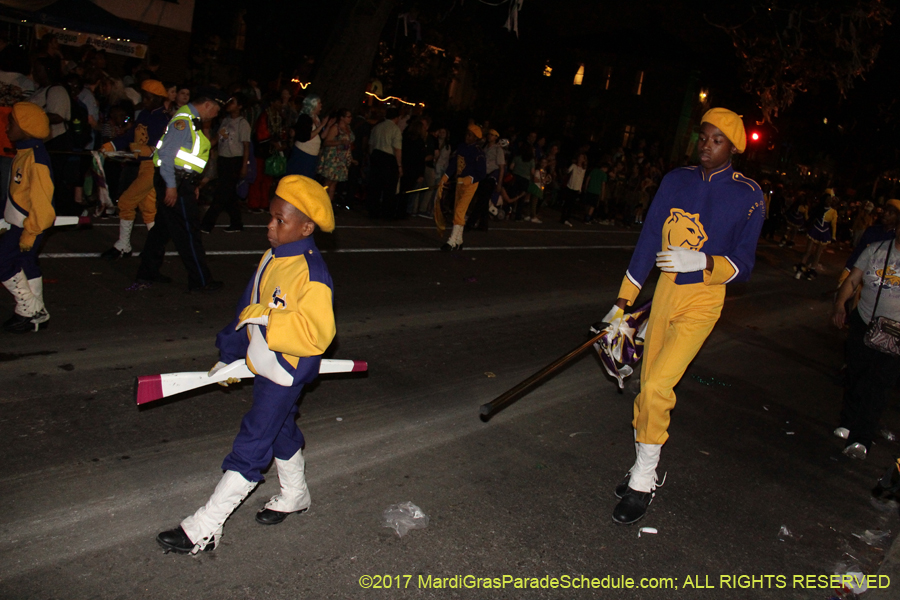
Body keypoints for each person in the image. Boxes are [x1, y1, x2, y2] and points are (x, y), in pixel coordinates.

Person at [156, 175, 336, 554]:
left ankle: (203, 528)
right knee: (280, 428)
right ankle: (296, 495)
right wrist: (230, 353)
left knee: (254, 440)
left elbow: (318, 335)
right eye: (270, 217)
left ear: (306, 227)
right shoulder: (271, 257)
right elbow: (246, 308)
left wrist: (268, 319)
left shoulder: (313, 273)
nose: (269, 227)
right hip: (264, 364)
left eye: (280, 221)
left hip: (286, 372)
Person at [601, 108, 764, 524]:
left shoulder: (750, 195)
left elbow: (744, 265)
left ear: (733, 147)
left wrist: (703, 261)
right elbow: (648, 241)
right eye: (703, 137)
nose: (706, 146)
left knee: (657, 384)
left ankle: (644, 478)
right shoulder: (676, 180)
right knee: (645, 385)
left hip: (704, 300)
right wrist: (622, 304)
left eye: (717, 141)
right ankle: (642, 463)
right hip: (666, 295)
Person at [133, 87, 226, 292]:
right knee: (188, 231)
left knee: (162, 229)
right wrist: (172, 187)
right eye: (217, 109)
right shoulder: (183, 122)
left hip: (180, 181)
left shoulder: (190, 120)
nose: (217, 114)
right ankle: (200, 280)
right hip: (175, 181)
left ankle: (147, 270)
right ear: (208, 104)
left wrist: (191, 183)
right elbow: (166, 156)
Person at [832, 223, 900, 460]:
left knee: (880, 385)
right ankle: (848, 422)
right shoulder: (875, 250)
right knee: (856, 374)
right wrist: (840, 304)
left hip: (896, 334)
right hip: (865, 322)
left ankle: (861, 439)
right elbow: (852, 281)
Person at [98, 80, 170, 259]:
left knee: (126, 202)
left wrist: (151, 150)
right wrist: (112, 145)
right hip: (144, 166)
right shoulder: (145, 115)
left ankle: (124, 245)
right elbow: (132, 135)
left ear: (159, 99)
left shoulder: (164, 119)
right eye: (144, 96)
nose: (144, 100)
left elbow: (166, 145)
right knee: (148, 208)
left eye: (148, 97)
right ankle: (155, 248)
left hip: (154, 167)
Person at [1, 103, 54, 333]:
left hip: (27, 226)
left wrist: (30, 232)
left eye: (11, 123)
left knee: (3, 262)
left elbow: (43, 204)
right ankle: (34, 317)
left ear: (26, 127)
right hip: (21, 223)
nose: (6, 127)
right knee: (26, 264)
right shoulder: (26, 153)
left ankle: (31, 310)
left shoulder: (36, 158)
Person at [200, 93, 251, 233]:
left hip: (234, 160)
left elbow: (246, 146)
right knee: (229, 194)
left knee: (221, 192)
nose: (229, 104)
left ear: (239, 106)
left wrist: (244, 166)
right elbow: (216, 139)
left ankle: (207, 224)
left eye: (233, 102)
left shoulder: (242, 123)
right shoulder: (225, 121)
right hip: (223, 159)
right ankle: (236, 223)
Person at [436, 124, 486, 251]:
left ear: (476, 138)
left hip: (470, 185)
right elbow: (454, 164)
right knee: (458, 210)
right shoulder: (461, 147)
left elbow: (482, 172)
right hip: (458, 183)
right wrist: (445, 177)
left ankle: (452, 241)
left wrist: (470, 178)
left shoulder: (478, 152)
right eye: (466, 134)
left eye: (470, 135)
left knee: (459, 210)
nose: (467, 137)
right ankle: (459, 240)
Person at [366, 107, 403, 219]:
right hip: (388, 158)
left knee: (375, 186)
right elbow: (397, 149)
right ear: (396, 118)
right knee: (389, 188)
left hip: (376, 155)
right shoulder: (395, 130)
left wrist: (371, 157)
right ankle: (387, 212)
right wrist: (399, 165)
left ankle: (373, 210)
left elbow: (371, 145)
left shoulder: (377, 127)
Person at [795, 192, 837, 280]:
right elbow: (811, 219)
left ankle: (810, 272)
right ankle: (799, 270)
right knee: (808, 251)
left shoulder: (833, 212)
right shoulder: (818, 209)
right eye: (827, 200)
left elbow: (834, 224)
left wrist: (833, 236)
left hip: (824, 232)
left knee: (818, 254)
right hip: (815, 230)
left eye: (830, 200)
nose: (829, 201)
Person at [317, 108, 355, 203]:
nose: (350, 118)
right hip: (333, 158)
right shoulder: (336, 128)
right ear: (342, 118)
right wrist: (340, 142)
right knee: (328, 182)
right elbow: (326, 142)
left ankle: (329, 204)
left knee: (334, 182)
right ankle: (320, 201)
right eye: (348, 116)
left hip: (342, 159)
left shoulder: (348, 129)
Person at [287, 94, 329, 178]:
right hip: (303, 153)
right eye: (319, 103)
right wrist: (321, 126)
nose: (321, 105)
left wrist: (327, 125)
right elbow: (306, 136)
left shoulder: (316, 117)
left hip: (312, 155)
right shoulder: (305, 118)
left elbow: (321, 136)